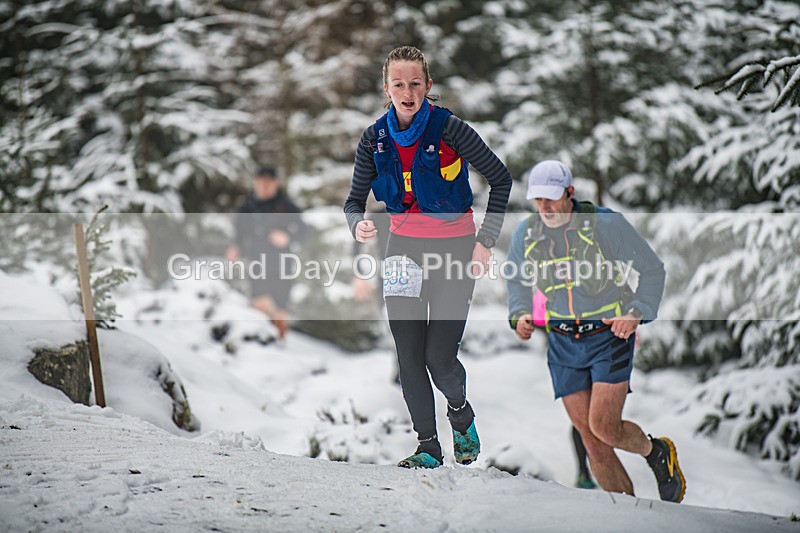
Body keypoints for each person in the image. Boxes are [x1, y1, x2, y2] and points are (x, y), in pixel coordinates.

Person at [344, 46, 512, 469]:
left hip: (455, 252)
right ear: (386, 88)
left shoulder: (450, 129)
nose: (408, 91)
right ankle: (428, 447)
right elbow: (352, 202)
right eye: (399, 84)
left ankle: (460, 412)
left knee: (439, 358)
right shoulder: (374, 139)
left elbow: (500, 179)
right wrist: (357, 226)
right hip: (402, 252)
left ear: (428, 86)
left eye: (415, 83)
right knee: (408, 354)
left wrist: (485, 240)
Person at [505, 160, 685, 502]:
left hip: (608, 336)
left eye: (551, 198)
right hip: (562, 342)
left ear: (570, 193)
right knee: (590, 440)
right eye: (537, 200)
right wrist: (520, 313)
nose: (544, 207)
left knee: (605, 427)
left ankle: (655, 451)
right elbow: (515, 278)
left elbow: (652, 271)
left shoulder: (605, 224)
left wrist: (635, 313)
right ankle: (628, 518)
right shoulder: (527, 233)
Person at [227, 166, 307, 340]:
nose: (264, 187)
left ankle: (279, 342)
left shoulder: (286, 205)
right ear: (255, 183)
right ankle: (260, 341)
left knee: (280, 308)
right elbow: (239, 231)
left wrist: (288, 238)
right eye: (260, 183)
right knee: (259, 303)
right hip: (257, 261)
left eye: (268, 183)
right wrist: (235, 247)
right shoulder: (248, 206)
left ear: (276, 184)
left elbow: (303, 231)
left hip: (282, 263)